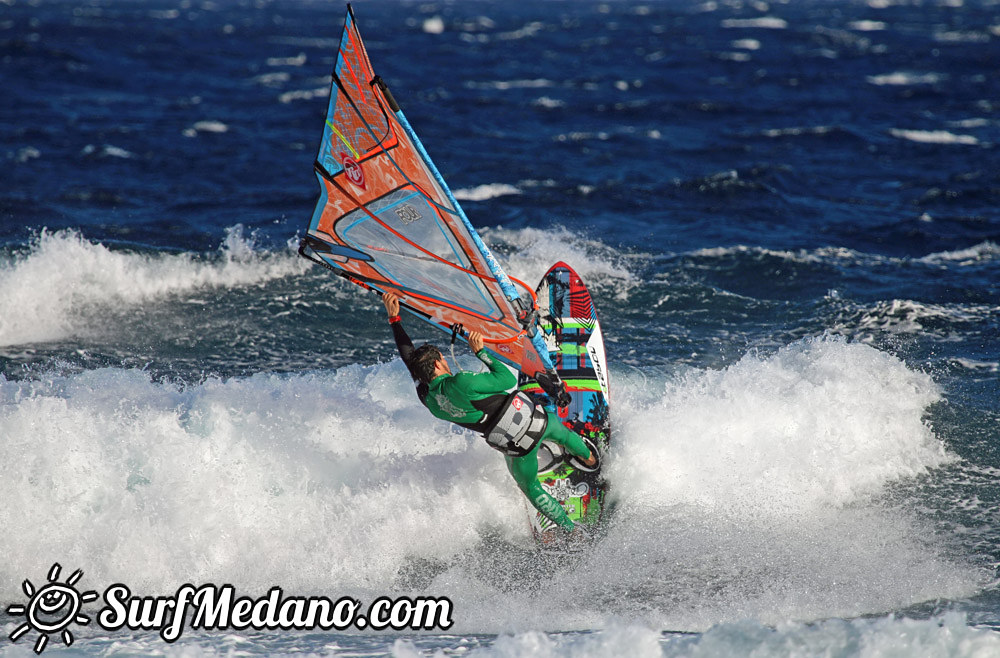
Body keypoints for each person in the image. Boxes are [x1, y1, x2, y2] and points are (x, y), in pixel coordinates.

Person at [382, 292, 597, 534]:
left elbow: (410, 360)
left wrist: (395, 320)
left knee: (530, 487)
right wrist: (481, 353)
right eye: (443, 359)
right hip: (536, 421)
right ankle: (589, 459)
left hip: (514, 446)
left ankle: (570, 530)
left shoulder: (429, 400)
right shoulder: (462, 382)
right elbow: (505, 378)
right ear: (437, 364)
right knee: (562, 435)